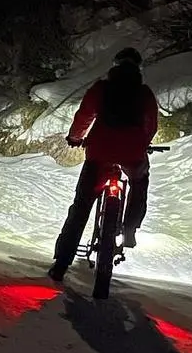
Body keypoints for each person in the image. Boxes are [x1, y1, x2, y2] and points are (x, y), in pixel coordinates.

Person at [48, 47, 159, 281]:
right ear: (138, 68)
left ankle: (61, 263)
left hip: (99, 153)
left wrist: (75, 138)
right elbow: (151, 125)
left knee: (81, 206)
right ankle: (129, 229)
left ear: (115, 65)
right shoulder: (144, 93)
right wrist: (142, 142)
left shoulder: (101, 88)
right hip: (133, 154)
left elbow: (84, 115)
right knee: (139, 183)